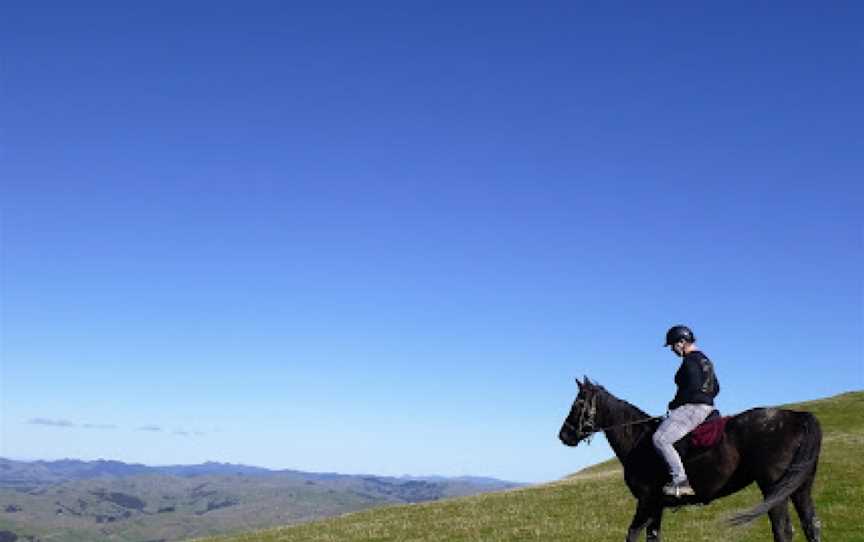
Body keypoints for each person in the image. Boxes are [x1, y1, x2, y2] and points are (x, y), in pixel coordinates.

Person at [652, 325, 720, 497]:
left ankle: (681, 481)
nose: (672, 350)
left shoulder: (689, 361)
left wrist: (674, 404)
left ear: (681, 342)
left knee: (660, 439)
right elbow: (716, 387)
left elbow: (692, 389)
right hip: (707, 406)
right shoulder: (706, 361)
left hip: (694, 408)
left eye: (673, 346)